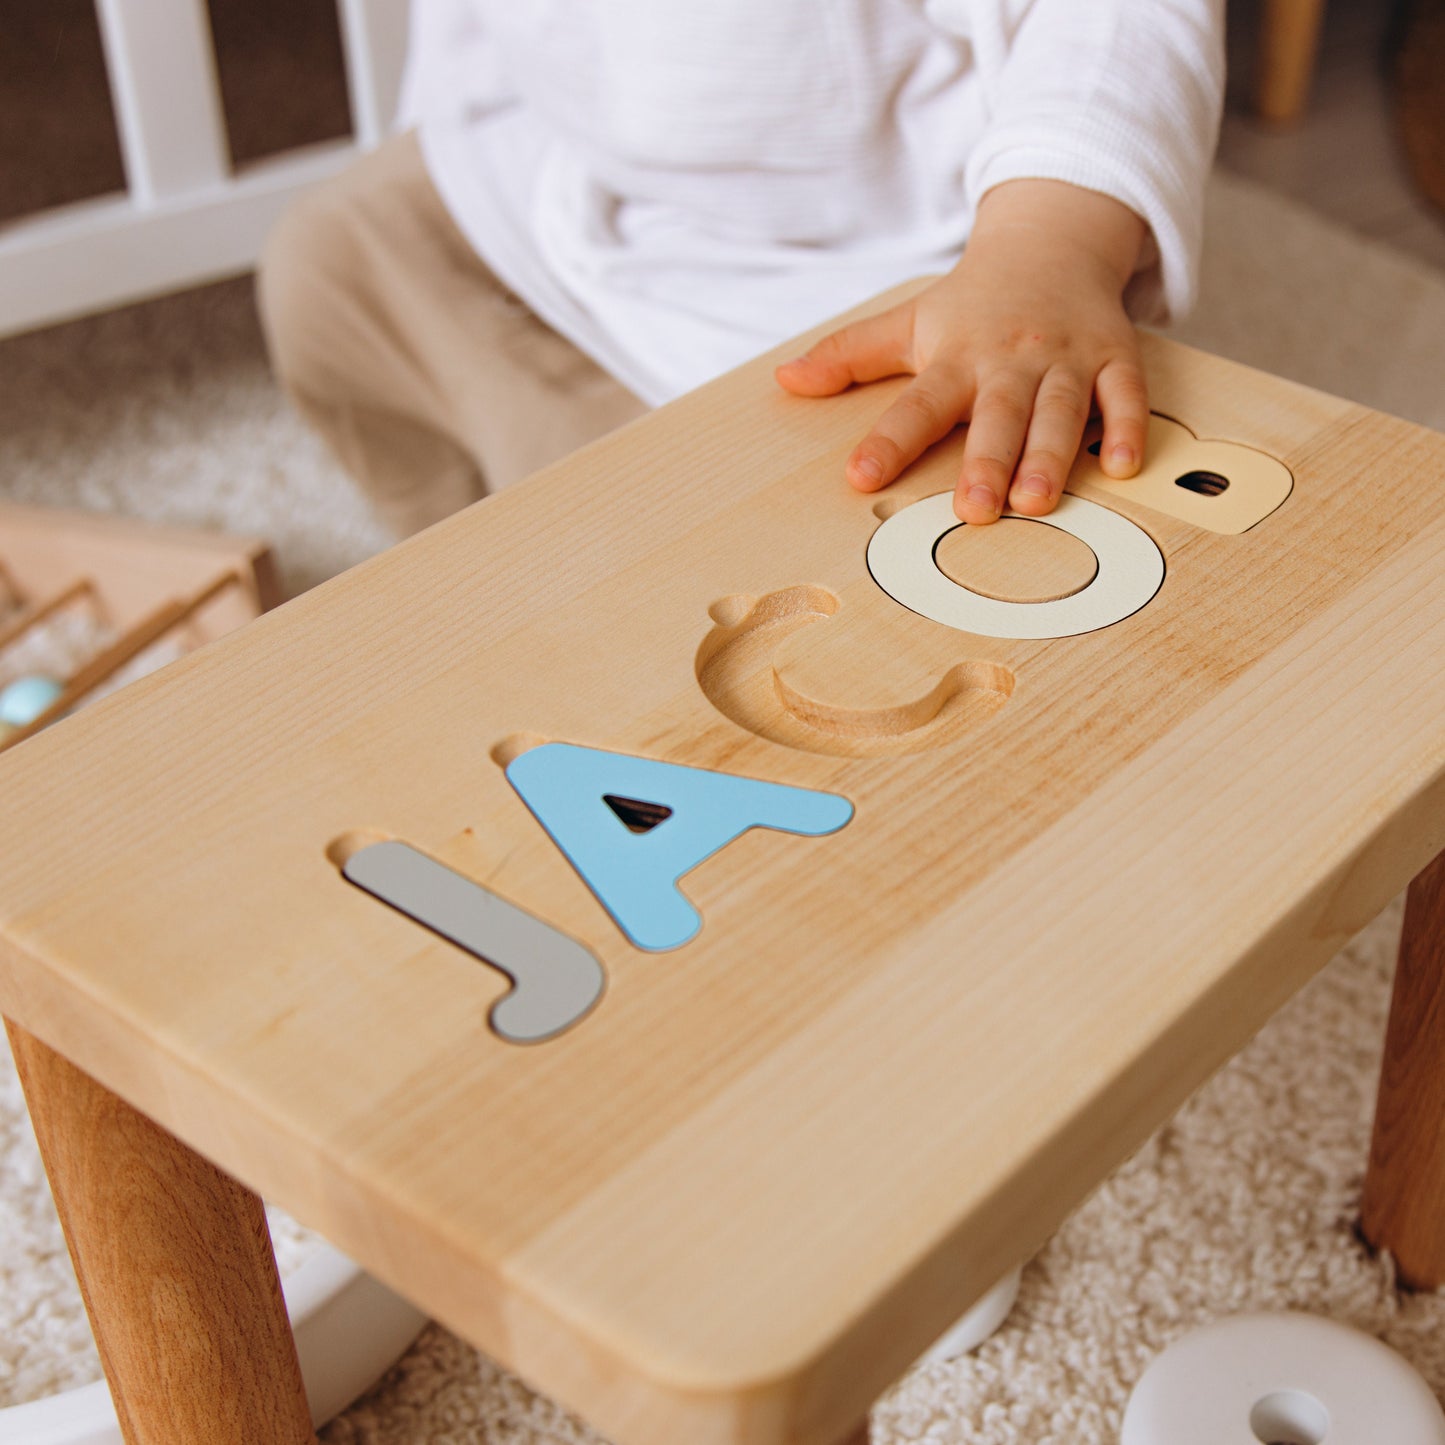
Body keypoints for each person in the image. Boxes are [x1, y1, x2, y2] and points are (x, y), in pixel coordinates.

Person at [258, 1, 1225, 541]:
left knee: (744, 557)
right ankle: (453, 567)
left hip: (881, 286)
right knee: (327, 265)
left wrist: (1044, 245)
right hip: (563, 186)